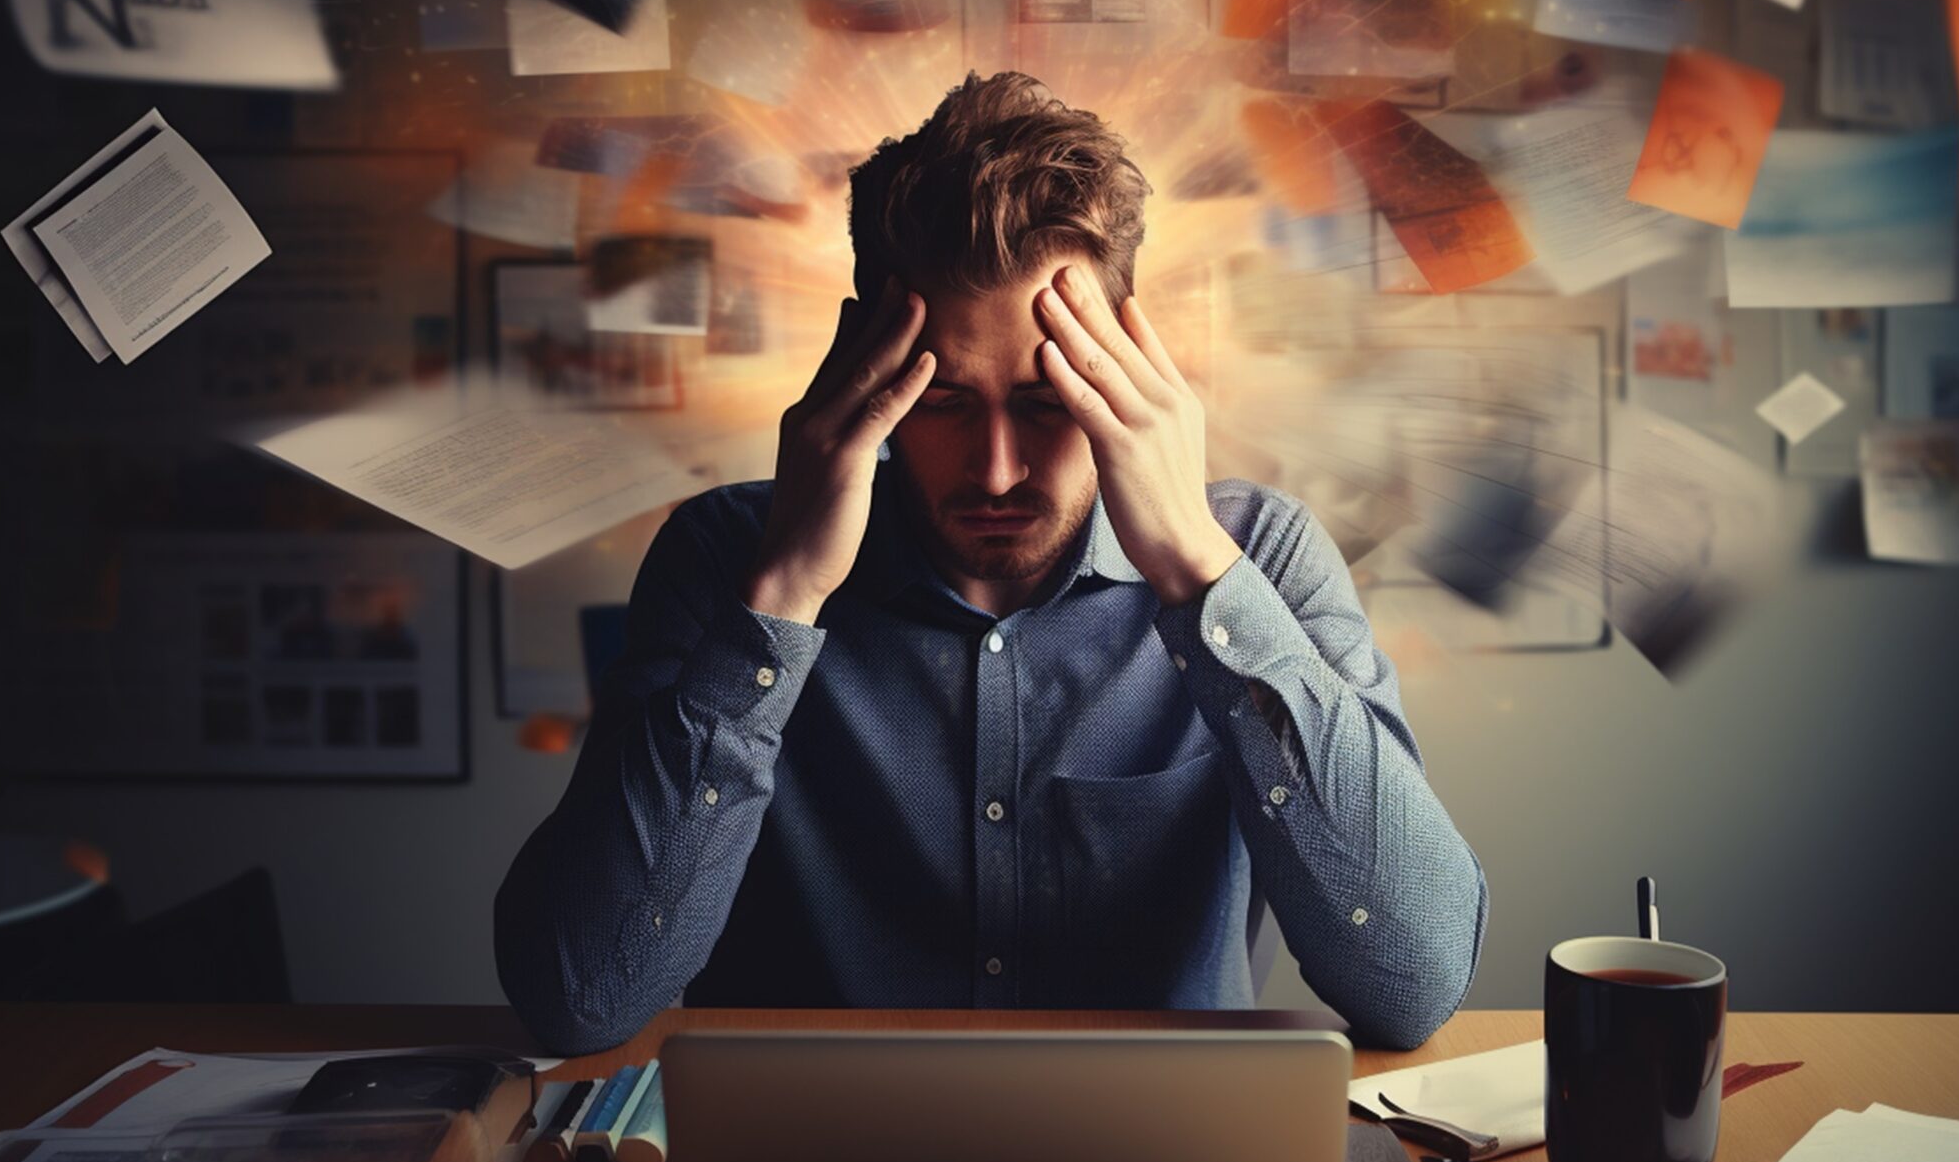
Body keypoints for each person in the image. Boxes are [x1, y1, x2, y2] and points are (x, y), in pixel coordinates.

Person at [495, 72, 1486, 1053]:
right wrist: (783, 599)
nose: (999, 470)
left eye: (1051, 400)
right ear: (865, 368)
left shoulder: (1259, 556)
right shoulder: (725, 558)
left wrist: (1194, 569)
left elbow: (1413, 981)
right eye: (945, 402)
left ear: (1129, 366)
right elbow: (582, 996)